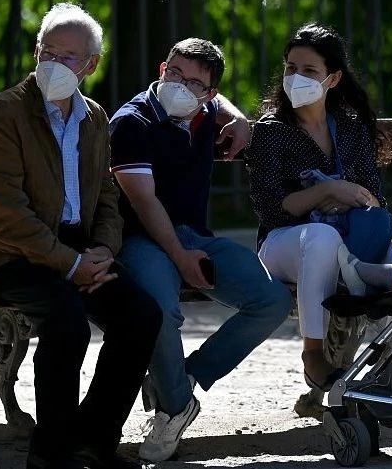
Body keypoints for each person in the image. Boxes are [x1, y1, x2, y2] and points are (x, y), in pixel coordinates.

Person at [0, 3, 162, 469]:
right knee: (66, 322)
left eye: (69, 56)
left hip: (77, 250)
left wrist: (101, 250)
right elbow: (4, 215)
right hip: (8, 254)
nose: (55, 63)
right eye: (47, 51)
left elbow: (109, 195)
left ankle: (91, 442)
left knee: (140, 315)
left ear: (91, 65)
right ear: (36, 53)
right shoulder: (4, 113)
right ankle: (49, 454)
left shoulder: (94, 117)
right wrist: (70, 265)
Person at [110, 37, 292, 463]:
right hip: (142, 238)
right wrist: (181, 258)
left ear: (208, 93)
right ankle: (173, 410)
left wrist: (240, 120)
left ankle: (185, 379)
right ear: (161, 69)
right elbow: (144, 202)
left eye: (194, 83)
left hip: (195, 234)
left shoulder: (207, 109)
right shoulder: (131, 122)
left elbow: (219, 102)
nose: (180, 86)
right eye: (174, 73)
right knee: (160, 308)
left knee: (272, 300)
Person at [247, 23, 392, 393]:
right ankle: (313, 353)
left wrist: (324, 196)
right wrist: (332, 189)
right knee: (322, 236)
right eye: (290, 68)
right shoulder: (270, 129)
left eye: (309, 71)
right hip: (284, 244)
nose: (295, 78)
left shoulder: (351, 127)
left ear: (333, 78)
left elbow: (371, 198)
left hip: (352, 238)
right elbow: (274, 210)